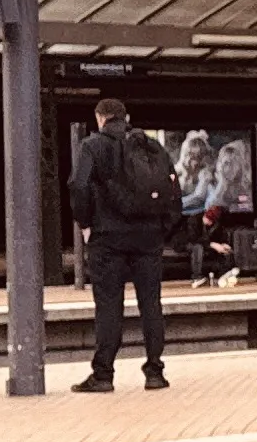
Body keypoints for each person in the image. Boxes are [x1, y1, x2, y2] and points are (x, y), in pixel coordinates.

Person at [71, 96, 181, 390]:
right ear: (126, 116)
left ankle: (104, 374)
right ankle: (155, 372)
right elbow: (173, 189)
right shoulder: (151, 146)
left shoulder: (92, 146)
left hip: (108, 238)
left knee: (109, 305)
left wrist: (85, 224)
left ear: (100, 118)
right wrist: (162, 229)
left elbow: (79, 186)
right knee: (151, 303)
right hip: (148, 239)